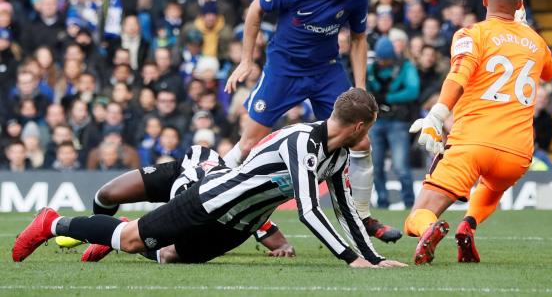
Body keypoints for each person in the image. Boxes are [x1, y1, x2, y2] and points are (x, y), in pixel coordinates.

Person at [13, 89, 407, 269]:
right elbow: (308, 209)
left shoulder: (337, 155)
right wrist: (351, 259)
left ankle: (110, 235)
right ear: (358, 125)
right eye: (369, 128)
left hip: (238, 226)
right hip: (209, 200)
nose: (369, 137)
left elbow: (346, 210)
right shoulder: (301, 141)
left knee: (166, 257)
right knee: (133, 240)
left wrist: (374, 257)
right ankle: (53, 223)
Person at [224, 0, 400, 242]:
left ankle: (363, 215)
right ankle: (213, 201)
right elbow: (255, 10)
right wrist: (245, 60)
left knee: (360, 141)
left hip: (326, 72)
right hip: (284, 69)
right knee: (249, 143)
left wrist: (359, 89)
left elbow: (358, 39)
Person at [404, 0, 552, 264]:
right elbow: (550, 73)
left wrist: (437, 114)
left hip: (472, 144)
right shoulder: (536, 42)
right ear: (520, 5)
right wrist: (525, 30)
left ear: (485, 0)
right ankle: (469, 225)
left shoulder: (472, 34)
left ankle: (429, 228)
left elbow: (458, 76)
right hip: (517, 153)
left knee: (416, 217)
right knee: (491, 187)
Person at [75, 144, 294, 261]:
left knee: (167, 253)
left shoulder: (233, 195)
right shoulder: (203, 184)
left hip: (202, 195)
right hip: (179, 173)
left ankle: (116, 231)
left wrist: (284, 247)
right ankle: (104, 230)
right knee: (107, 194)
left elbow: (262, 224)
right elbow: (174, 210)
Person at [367, 36, 420, 210]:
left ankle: (410, 203)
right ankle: (382, 203)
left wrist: (388, 98)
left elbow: (413, 90)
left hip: (398, 122)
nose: (383, 62)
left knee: (401, 166)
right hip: (376, 122)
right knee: (375, 165)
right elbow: (363, 87)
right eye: (381, 59)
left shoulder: (405, 66)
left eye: (386, 58)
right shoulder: (371, 69)